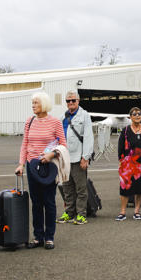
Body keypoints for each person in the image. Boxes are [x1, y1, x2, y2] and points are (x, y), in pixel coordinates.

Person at [15, 93, 66, 249]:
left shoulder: (55, 122)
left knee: (49, 202)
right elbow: (25, 144)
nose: (33, 105)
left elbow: (63, 144)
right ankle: (38, 237)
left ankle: (49, 237)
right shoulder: (29, 122)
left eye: (36, 102)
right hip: (32, 166)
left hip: (48, 167)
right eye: (32, 103)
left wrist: (51, 155)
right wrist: (21, 164)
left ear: (43, 104)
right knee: (36, 203)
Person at [58, 90, 95, 224]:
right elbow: (58, 137)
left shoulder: (84, 115)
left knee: (81, 188)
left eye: (73, 100)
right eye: (68, 101)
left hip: (78, 158)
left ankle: (81, 214)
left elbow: (89, 138)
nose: (71, 103)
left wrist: (85, 157)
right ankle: (69, 212)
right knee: (67, 188)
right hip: (65, 159)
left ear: (78, 101)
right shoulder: (62, 117)